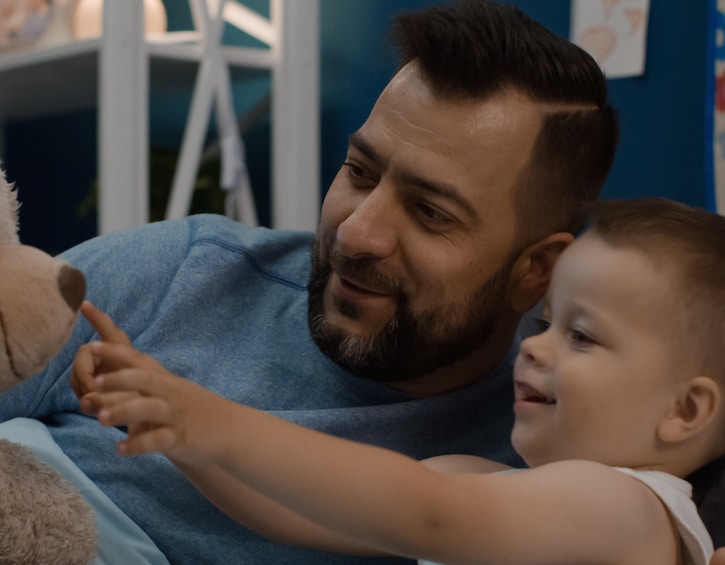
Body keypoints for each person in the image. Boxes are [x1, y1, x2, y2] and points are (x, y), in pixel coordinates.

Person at [0, 1, 619, 562]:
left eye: (431, 212)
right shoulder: (187, 268)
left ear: (536, 269)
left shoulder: (549, 441)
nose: (356, 234)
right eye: (359, 171)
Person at [78, 197, 725, 564]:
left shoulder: (629, 510)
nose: (533, 347)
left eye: (580, 335)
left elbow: (427, 511)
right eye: (545, 322)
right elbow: (291, 512)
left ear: (686, 409)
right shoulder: (489, 484)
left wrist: (212, 420)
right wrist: (175, 431)